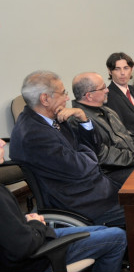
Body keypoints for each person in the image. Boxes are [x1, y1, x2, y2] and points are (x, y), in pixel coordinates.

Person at [9, 71, 126, 226]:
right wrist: (87, 152)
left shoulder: (54, 117)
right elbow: (81, 167)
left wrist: (83, 119)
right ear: (45, 99)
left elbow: (92, 149)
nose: (67, 98)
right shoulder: (33, 134)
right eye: (63, 93)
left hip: (97, 190)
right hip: (82, 203)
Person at [0, 137, 127, 272]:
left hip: (32, 235)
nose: (3, 142)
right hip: (36, 257)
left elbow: (9, 228)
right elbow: (21, 247)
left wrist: (27, 220)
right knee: (118, 237)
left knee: (103, 230)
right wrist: (36, 224)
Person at [71, 72, 134, 187]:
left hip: (131, 162)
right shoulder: (80, 121)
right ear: (89, 96)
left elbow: (128, 135)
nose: (107, 90)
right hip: (111, 173)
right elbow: (103, 155)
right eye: (103, 88)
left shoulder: (107, 111)